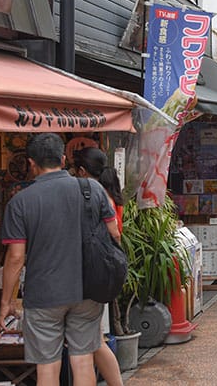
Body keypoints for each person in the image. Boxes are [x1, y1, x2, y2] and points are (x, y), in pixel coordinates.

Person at [0, 133, 120, 386]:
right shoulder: (91, 188)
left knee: (48, 368)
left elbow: (16, 258)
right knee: (82, 361)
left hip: (44, 295)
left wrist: (5, 304)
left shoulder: (19, 202)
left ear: (31, 163)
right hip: (87, 288)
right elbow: (114, 231)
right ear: (63, 159)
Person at [72, 147, 124, 386]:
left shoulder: (95, 195)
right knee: (95, 341)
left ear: (81, 170)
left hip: (93, 273)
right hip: (102, 272)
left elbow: (113, 233)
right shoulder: (107, 192)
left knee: (92, 343)